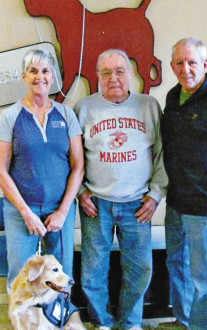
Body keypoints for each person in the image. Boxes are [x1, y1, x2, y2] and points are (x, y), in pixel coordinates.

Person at [74, 49, 168, 329]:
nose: (113, 78)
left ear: (131, 74)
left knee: (140, 270)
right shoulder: (83, 108)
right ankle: (102, 323)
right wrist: (81, 191)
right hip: (96, 204)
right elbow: (72, 157)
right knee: (92, 272)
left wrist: (155, 194)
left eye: (119, 71)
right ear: (97, 76)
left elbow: (163, 154)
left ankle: (129, 323)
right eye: (106, 72)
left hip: (138, 204)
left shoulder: (149, 106)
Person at [0, 49, 84, 291]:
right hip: (21, 212)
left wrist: (63, 211)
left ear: (53, 76)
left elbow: (78, 167)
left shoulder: (66, 114)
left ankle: (55, 324)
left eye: (45, 71)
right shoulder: (11, 116)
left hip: (60, 210)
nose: (40, 76)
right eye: (33, 71)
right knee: (21, 276)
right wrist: (26, 213)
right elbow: (1, 170)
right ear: (24, 76)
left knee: (60, 275)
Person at [160, 38, 207, 330]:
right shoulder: (172, 98)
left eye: (192, 62)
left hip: (204, 206)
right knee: (177, 267)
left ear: (205, 65)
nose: (186, 69)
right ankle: (183, 322)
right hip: (175, 204)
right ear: (172, 66)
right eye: (180, 63)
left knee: (204, 277)